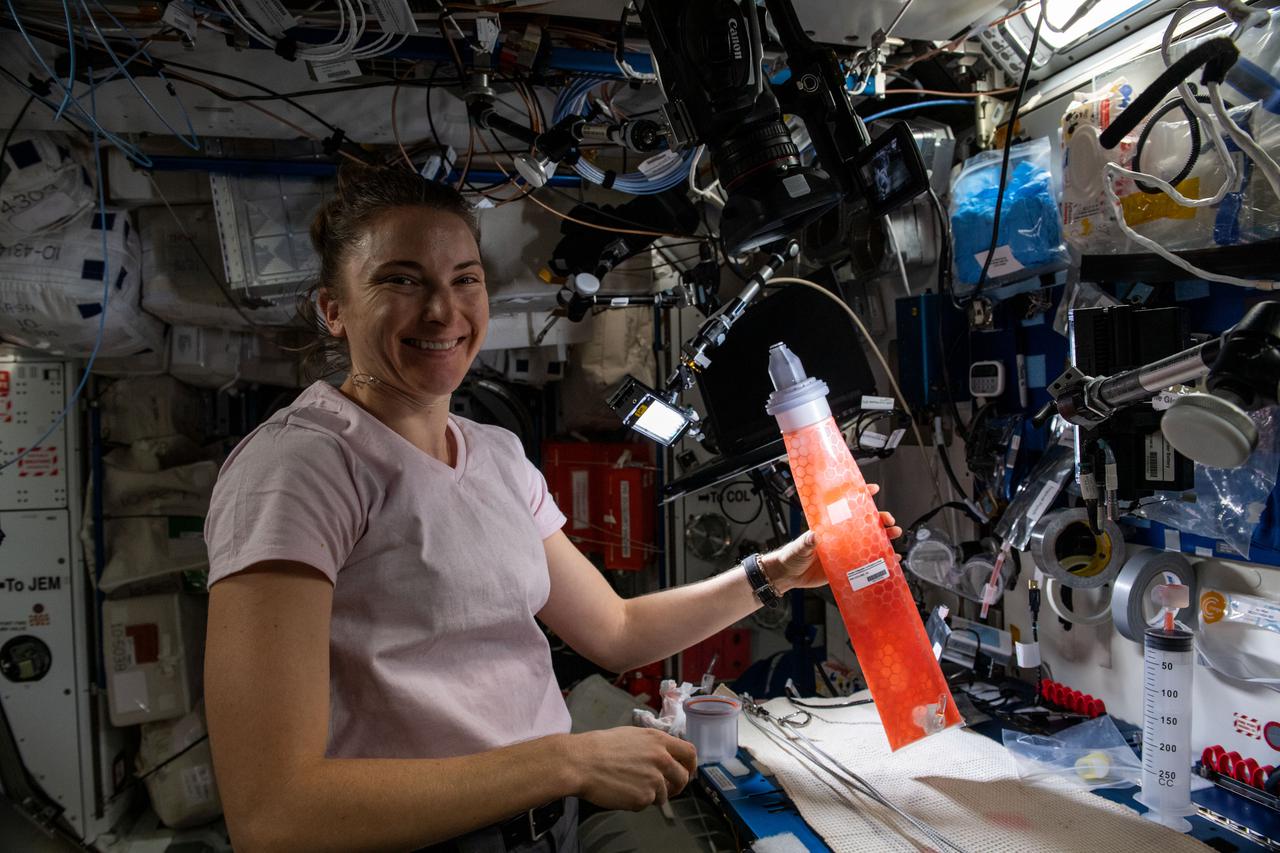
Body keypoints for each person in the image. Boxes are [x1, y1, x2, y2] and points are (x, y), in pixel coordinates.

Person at [202, 164, 901, 853]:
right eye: (401, 280)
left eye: (463, 279)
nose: (442, 309)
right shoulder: (299, 468)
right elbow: (276, 812)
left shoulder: (494, 454)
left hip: (545, 827)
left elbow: (617, 627)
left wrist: (775, 571)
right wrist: (567, 760)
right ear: (333, 309)